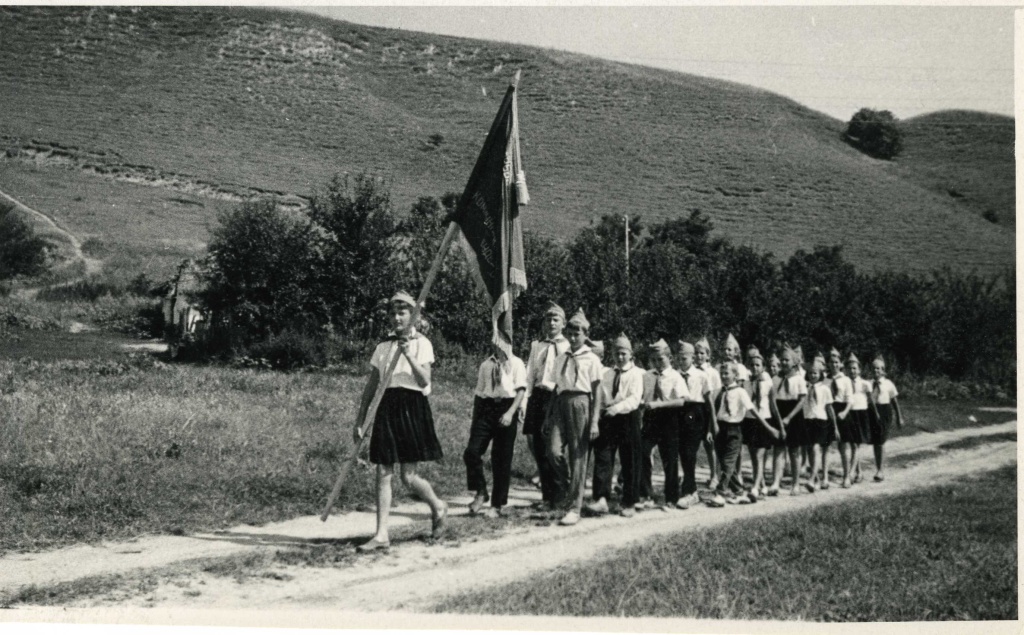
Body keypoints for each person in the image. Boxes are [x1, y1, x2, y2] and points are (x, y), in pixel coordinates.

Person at [355, 292, 447, 552]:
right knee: (383, 471)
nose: (396, 318)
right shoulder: (383, 347)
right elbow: (371, 386)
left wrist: (408, 354)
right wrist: (360, 420)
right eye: (393, 313)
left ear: (413, 315)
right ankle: (381, 534)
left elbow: (424, 381)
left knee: (408, 476)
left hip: (412, 407)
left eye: (402, 313)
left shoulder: (422, 344)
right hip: (387, 406)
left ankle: (438, 506)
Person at [544, 309, 604, 526]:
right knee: (553, 451)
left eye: (577, 333)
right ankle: (570, 485)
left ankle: (574, 507)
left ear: (585, 334)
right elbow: (555, 388)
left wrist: (595, 420)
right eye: (569, 333)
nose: (572, 337)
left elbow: (597, 391)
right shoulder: (561, 358)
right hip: (561, 404)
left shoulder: (592, 359)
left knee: (578, 457)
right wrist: (549, 416)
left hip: (581, 404)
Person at [463, 342, 527, 518]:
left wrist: (511, 413)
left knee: (501, 458)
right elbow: (479, 392)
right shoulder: (486, 364)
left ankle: (497, 504)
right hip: (487, 408)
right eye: (495, 341)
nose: (499, 346)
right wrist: (476, 420)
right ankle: (480, 491)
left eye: (503, 342)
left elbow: (521, 389)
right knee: (472, 452)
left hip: (507, 407)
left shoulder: (516, 363)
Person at [586, 334, 645, 517]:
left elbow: (635, 399)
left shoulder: (637, 374)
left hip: (628, 417)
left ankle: (629, 502)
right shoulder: (606, 374)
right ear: (611, 354)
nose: (620, 358)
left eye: (623, 354)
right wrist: (603, 411)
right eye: (617, 353)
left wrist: (617, 408)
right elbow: (600, 396)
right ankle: (601, 498)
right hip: (608, 418)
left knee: (629, 460)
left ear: (630, 354)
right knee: (603, 457)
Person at [523, 302, 570, 512]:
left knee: (552, 447)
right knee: (536, 445)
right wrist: (525, 402)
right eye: (548, 319)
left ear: (563, 323)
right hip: (537, 397)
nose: (551, 323)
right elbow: (530, 374)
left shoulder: (568, 347)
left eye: (555, 319)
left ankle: (560, 495)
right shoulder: (537, 345)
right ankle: (546, 496)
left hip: (556, 397)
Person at [709, 361, 776, 506]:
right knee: (725, 463)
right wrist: (710, 429)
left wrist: (769, 428)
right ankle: (740, 492)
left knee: (728, 462)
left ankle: (720, 493)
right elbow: (714, 412)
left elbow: (753, 410)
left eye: (727, 373)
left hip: (734, 430)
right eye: (722, 373)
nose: (723, 376)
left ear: (735, 375)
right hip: (720, 429)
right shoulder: (719, 392)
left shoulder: (740, 392)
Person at [639, 339, 691, 509]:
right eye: (654, 360)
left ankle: (671, 497)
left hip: (669, 419)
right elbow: (642, 396)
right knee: (643, 451)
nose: (657, 363)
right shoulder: (647, 376)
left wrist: (660, 404)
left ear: (670, 358)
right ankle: (646, 493)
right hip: (650, 419)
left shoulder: (675, 376)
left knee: (670, 458)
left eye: (660, 359)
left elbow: (683, 401)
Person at [675, 340, 715, 508]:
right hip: (679, 413)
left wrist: (711, 426)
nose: (682, 361)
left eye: (685, 358)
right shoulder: (675, 374)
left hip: (695, 413)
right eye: (679, 358)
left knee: (690, 453)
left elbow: (709, 402)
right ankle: (688, 488)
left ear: (692, 358)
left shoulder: (701, 376)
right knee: (682, 452)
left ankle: (690, 492)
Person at [744, 346, 781, 500]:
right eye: (752, 365)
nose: (755, 368)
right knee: (753, 455)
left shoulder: (768, 382)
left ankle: (754, 487)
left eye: (758, 365)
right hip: (750, 420)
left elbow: (773, 405)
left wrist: (778, 425)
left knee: (760, 455)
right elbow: (747, 404)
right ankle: (762, 485)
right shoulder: (746, 382)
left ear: (763, 367)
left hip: (765, 419)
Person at [802, 354, 838, 493]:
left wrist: (835, 427)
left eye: (815, 373)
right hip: (808, 420)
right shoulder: (804, 388)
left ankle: (811, 479)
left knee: (816, 448)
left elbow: (830, 409)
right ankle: (816, 478)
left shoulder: (825, 389)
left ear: (820, 374)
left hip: (821, 421)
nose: (813, 375)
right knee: (810, 449)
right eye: (810, 373)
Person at [776, 345, 808, 496]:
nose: (783, 362)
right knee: (778, 448)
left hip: (794, 414)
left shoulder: (799, 380)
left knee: (794, 450)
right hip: (779, 412)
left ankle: (796, 483)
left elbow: (802, 401)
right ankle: (776, 482)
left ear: (794, 362)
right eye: (781, 359)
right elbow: (773, 400)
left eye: (786, 360)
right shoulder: (776, 378)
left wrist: (789, 417)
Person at [868, 355, 903, 482]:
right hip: (872, 413)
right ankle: (878, 468)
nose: (876, 371)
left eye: (878, 369)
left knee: (881, 441)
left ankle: (880, 470)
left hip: (885, 412)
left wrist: (899, 417)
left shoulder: (888, 384)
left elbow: (894, 402)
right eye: (874, 369)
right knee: (876, 441)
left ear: (883, 371)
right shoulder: (869, 384)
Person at [694, 337, 722, 489]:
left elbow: (715, 396)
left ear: (708, 355)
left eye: (702, 353)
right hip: (693, 410)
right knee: (691, 444)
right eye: (697, 353)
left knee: (709, 444)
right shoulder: (691, 370)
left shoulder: (712, 373)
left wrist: (713, 420)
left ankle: (714, 476)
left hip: (707, 410)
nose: (699, 356)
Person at [828, 349, 856, 488]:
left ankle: (846, 476)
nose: (834, 365)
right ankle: (823, 478)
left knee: (842, 446)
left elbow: (850, 400)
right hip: (827, 411)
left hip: (841, 410)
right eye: (831, 362)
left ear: (840, 364)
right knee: (824, 445)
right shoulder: (825, 379)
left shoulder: (845, 380)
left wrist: (844, 412)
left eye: (836, 362)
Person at [844, 353, 871, 484]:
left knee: (856, 445)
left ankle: (850, 473)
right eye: (850, 368)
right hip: (850, 413)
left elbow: (870, 401)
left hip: (861, 413)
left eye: (855, 368)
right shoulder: (845, 382)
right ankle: (859, 472)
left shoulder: (865, 384)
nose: (852, 371)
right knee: (853, 444)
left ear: (859, 370)